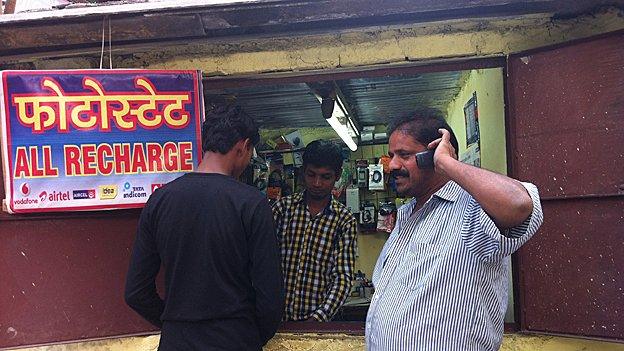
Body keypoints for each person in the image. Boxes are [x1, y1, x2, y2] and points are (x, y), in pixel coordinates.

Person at [365, 110, 543, 351]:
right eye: (391, 155)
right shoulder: (406, 215)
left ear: (434, 154)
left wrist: (448, 164)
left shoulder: (471, 210)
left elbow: (519, 204)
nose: (393, 165)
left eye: (404, 155)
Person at [124, 105, 284, 351]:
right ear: (243, 146)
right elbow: (270, 298)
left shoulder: (159, 200)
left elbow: (136, 292)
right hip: (235, 340)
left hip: (177, 342)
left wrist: (176, 323)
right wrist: (247, 335)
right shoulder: (251, 203)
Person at [272, 140, 357, 321]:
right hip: (275, 322)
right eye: (311, 175)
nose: (317, 183)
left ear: (338, 175)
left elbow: (343, 277)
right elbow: (263, 264)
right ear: (303, 171)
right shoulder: (282, 210)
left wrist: (318, 318)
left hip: (318, 325)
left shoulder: (344, 220)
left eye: (325, 177)